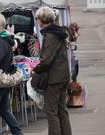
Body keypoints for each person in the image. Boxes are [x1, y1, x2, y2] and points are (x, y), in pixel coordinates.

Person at [33, 6, 72, 135]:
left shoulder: (50, 35)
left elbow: (46, 60)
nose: (37, 21)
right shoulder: (57, 32)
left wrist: (35, 70)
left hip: (55, 78)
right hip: (63, 76)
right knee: (61, 110)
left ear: (41, 20)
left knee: (51, 111)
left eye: (37, 18)